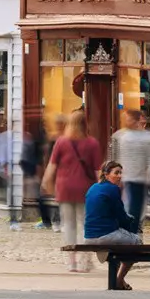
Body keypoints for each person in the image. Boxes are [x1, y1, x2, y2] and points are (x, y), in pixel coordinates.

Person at [45, 111, 103, 272]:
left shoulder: (61, 142)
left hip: (64, 188)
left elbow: (52, 165)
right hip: (86, 189)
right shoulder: (92, 143)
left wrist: (47, 182)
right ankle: (84, 260)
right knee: (85, 225)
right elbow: (98, 170)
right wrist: (102, 189)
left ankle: (71, 261)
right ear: (86, 123)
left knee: (69, 224)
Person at [84, 161, 143, 290]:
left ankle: (119, 280)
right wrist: (131, 222)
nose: (119, 176)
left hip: (89, 236)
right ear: (106, 174)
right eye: (116, 173)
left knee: (120, 244)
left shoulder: (93, 188)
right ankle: (119, 279)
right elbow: (121, 215)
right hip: (105, 234)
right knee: (137, 242)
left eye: (121, 173)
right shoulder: (113, 189)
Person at [111, 108, 150, 227]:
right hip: (121, 177)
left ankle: (132, 231)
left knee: (134, 209)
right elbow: (114, 156)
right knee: (123, 207)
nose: (125, 121)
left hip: (137, 179)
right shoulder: (119, 136)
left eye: (128, 118)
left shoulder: (149, 138)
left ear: (136, 120)